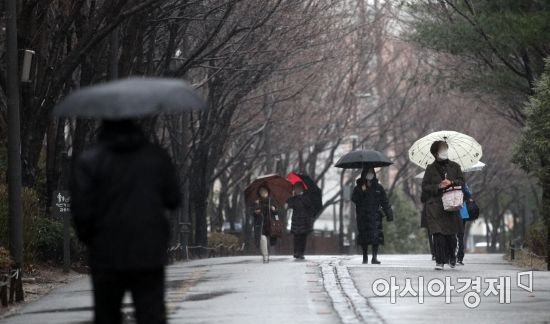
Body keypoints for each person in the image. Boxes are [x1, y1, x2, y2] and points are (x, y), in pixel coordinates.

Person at [71, 120, 181, 324]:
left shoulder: (89, 160)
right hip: (149, 251)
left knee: (107, 314)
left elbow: (81, 211)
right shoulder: (156, 157)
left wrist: (91, 240)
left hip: (105, 252)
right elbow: (174, 199)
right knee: (151, 314)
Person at [421, 141, 464, 270]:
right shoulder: (430, 168)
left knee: (451, 235)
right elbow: (425, 187)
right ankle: (439, 261)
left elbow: (462, 182)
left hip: (451, 205)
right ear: (435, 153)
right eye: (442, 149)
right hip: (435, 206)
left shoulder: (455, 166)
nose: (444, 151)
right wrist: (438, 186)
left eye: (446, 148)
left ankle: (452, 256)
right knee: (438, 234)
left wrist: (451, 182)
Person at [352, 168, 393, 264]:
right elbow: (354, 199)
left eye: (371, 172)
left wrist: (389, 213)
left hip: (375, 215)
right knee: (364, 237)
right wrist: (362, 190)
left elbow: (385, 201)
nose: (370, 174)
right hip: (363, 216)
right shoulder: (358, 187)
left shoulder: (378, 187)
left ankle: (374, 257)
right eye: (368, 172)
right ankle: (365, 256)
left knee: (376, 236)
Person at [287, 182, 316, 260]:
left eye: (298, 188)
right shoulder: (294, 198)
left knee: (302, 238)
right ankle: (296, 252)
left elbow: (310, 207)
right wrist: (292, 197)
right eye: (296, 188)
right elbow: (289, 205)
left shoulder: (306, 197)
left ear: (302, 189)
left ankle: (301, 253)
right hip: (296, 220)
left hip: (304, 221)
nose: (297, 190)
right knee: (296, 237)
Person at [252, 186, 280, 263]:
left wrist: (274, 209)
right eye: (261, 191)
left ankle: (271, 253)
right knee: (263, 238)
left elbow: (277, 211)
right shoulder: (257, 201)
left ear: (268, 192)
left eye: (265, 191)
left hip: (270, 224)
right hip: (261, 224)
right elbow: (253, 212)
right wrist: (256, 211)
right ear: (259, 193)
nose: (263, 193)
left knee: (271, 240)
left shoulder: (272, 200)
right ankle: (265, 255)